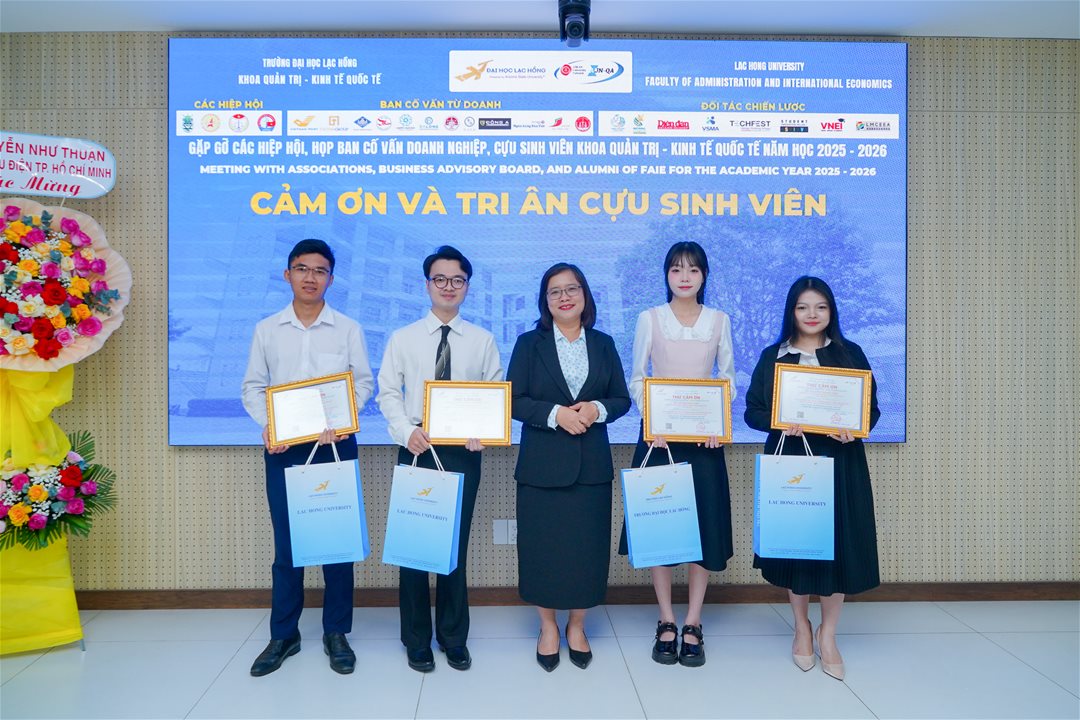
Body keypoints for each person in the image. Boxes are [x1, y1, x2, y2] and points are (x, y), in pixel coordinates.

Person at [241, 238, 375, 676]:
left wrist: (344, 417)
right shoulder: (267, 329)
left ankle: (336, 632)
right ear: (288, 274)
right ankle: (284, 634)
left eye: (320, 271)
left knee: (336, 544)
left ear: (331, 279)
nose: (310, 277)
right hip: (283, 448)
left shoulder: (348, 328)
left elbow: (363, 383)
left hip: (335, 444)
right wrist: (270, 425)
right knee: (288, 546)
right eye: (302, 268)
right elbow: (253, 386)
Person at [744, 275, 880, 681]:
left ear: (831, 311)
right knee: (798, 546)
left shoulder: (850, 353)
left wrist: (854, 428)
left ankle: (828, 633)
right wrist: (779, 421)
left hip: (840, 462)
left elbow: (871, 410)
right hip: (792, 461)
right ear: (791, 312)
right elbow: (752, 411)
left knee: (837, 548)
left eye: (820, 307)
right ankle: (801, 627)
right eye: (803, 307)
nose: (812, 314)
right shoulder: (774, 356)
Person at [376, 245, 502, 673]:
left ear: (467, 286)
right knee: (414, 547)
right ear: (427, 284)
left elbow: (494, 394)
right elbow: (388, 393)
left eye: (458, 280)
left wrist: (484, 432)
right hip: (416, 445)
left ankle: (453, 637)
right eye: (441, 279)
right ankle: (416, 639)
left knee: (453, 548)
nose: (449, 287)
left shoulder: (483, 341)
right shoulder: (403, 338)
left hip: (463, 452)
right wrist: (405, 431)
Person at [507, 262, 631, 672]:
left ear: (584, 295)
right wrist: (555, 414)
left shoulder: (604, 344)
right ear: (545, 301)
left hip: (591, 467)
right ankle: (547, 627)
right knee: (542, 550)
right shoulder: (529, 344)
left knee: (586, 551)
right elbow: (514, 400)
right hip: (541, 467)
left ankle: (577, 626)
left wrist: (596, 409)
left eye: (572, 289)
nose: (564, 297)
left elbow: (621, 399)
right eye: (555, 291)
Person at [617, 241, 736, 667]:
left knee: (703, 530)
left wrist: (716, 422)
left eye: (693, 270)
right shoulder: (649, 318)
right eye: (676, 269)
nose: (684, 277)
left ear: (704, 276)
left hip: (705, 440)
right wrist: (654, 420)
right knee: (661, 526)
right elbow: (637, 378)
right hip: (659, 439)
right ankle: (666, 618)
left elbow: (727, 379)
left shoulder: (719, 320)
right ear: (666, 275)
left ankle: (693, 621)